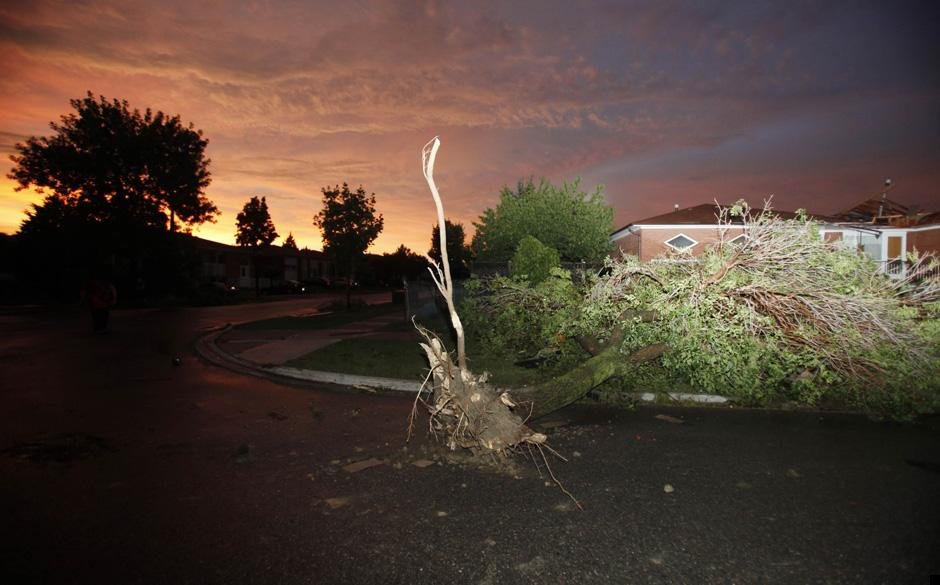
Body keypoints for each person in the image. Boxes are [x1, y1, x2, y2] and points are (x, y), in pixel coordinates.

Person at [81, 266, 117, 333]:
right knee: (100, 315)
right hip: (99, 301)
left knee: (99, 315)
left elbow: (111, 290)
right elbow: (111, 290)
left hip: (99, 302)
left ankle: (99, 328)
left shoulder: (97, 283)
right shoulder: (97, 283)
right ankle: (100, 328)